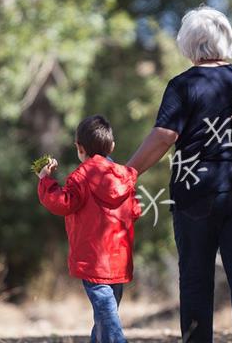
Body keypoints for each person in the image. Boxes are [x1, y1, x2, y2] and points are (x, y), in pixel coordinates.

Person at [126, 6, 232, 342]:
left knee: (195, 280)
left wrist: (127, 172)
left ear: (188, 44)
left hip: (195, 195)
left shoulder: (183, 85)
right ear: (227, 40)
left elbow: (165, 136)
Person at [36, 115, 141, 343]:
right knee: (105, 316)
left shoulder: (80, 177)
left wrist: (45, 180)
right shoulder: (125, 177)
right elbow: (135, 210)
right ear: (112, 146)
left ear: (79, 147)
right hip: (119, 260)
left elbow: (62, 203)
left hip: (93, 260)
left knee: (106, 316)